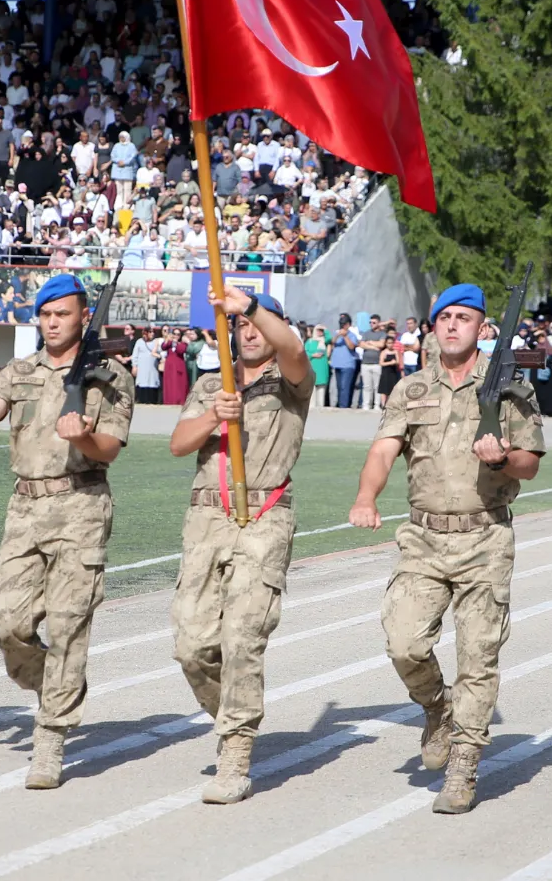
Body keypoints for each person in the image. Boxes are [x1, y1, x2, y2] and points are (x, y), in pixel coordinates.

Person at [0, 274, 135, 790]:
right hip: (25, 508)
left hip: (81, 504)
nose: (53, 322)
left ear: (84, 316)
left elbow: (109, 448)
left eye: (63, 313)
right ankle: (57, 683)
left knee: (67, 625)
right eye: (46, 314)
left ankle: (51, 737)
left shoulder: (108, 376)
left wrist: (83, 435)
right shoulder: (20, 371)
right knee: (7, 625)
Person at [348, 283, 545, 815]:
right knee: (403, 644)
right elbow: (383, 449)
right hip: (423, 538)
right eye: (444, 317)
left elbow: (530, 461)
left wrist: (502, 458)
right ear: (432, 327)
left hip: (485, 536)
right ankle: (437, 707)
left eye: (464, 318)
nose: (452, 325)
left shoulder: (508, 389)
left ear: (484, 328)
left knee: (479, 657)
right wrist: (366, 496)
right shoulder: (410, 389)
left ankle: (463, 767)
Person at [166, 287, 314, 804]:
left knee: (243, 636)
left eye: (258, 324)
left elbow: (293, 350)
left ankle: (235, 748)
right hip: (207, 517)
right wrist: (214, 417)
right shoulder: (212, 383)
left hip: (265, 513)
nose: (250, 332)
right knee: (191, 645)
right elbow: (178, 443)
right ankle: (232, 712)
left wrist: (250, 305)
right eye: (241, 326)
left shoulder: (291, 380)